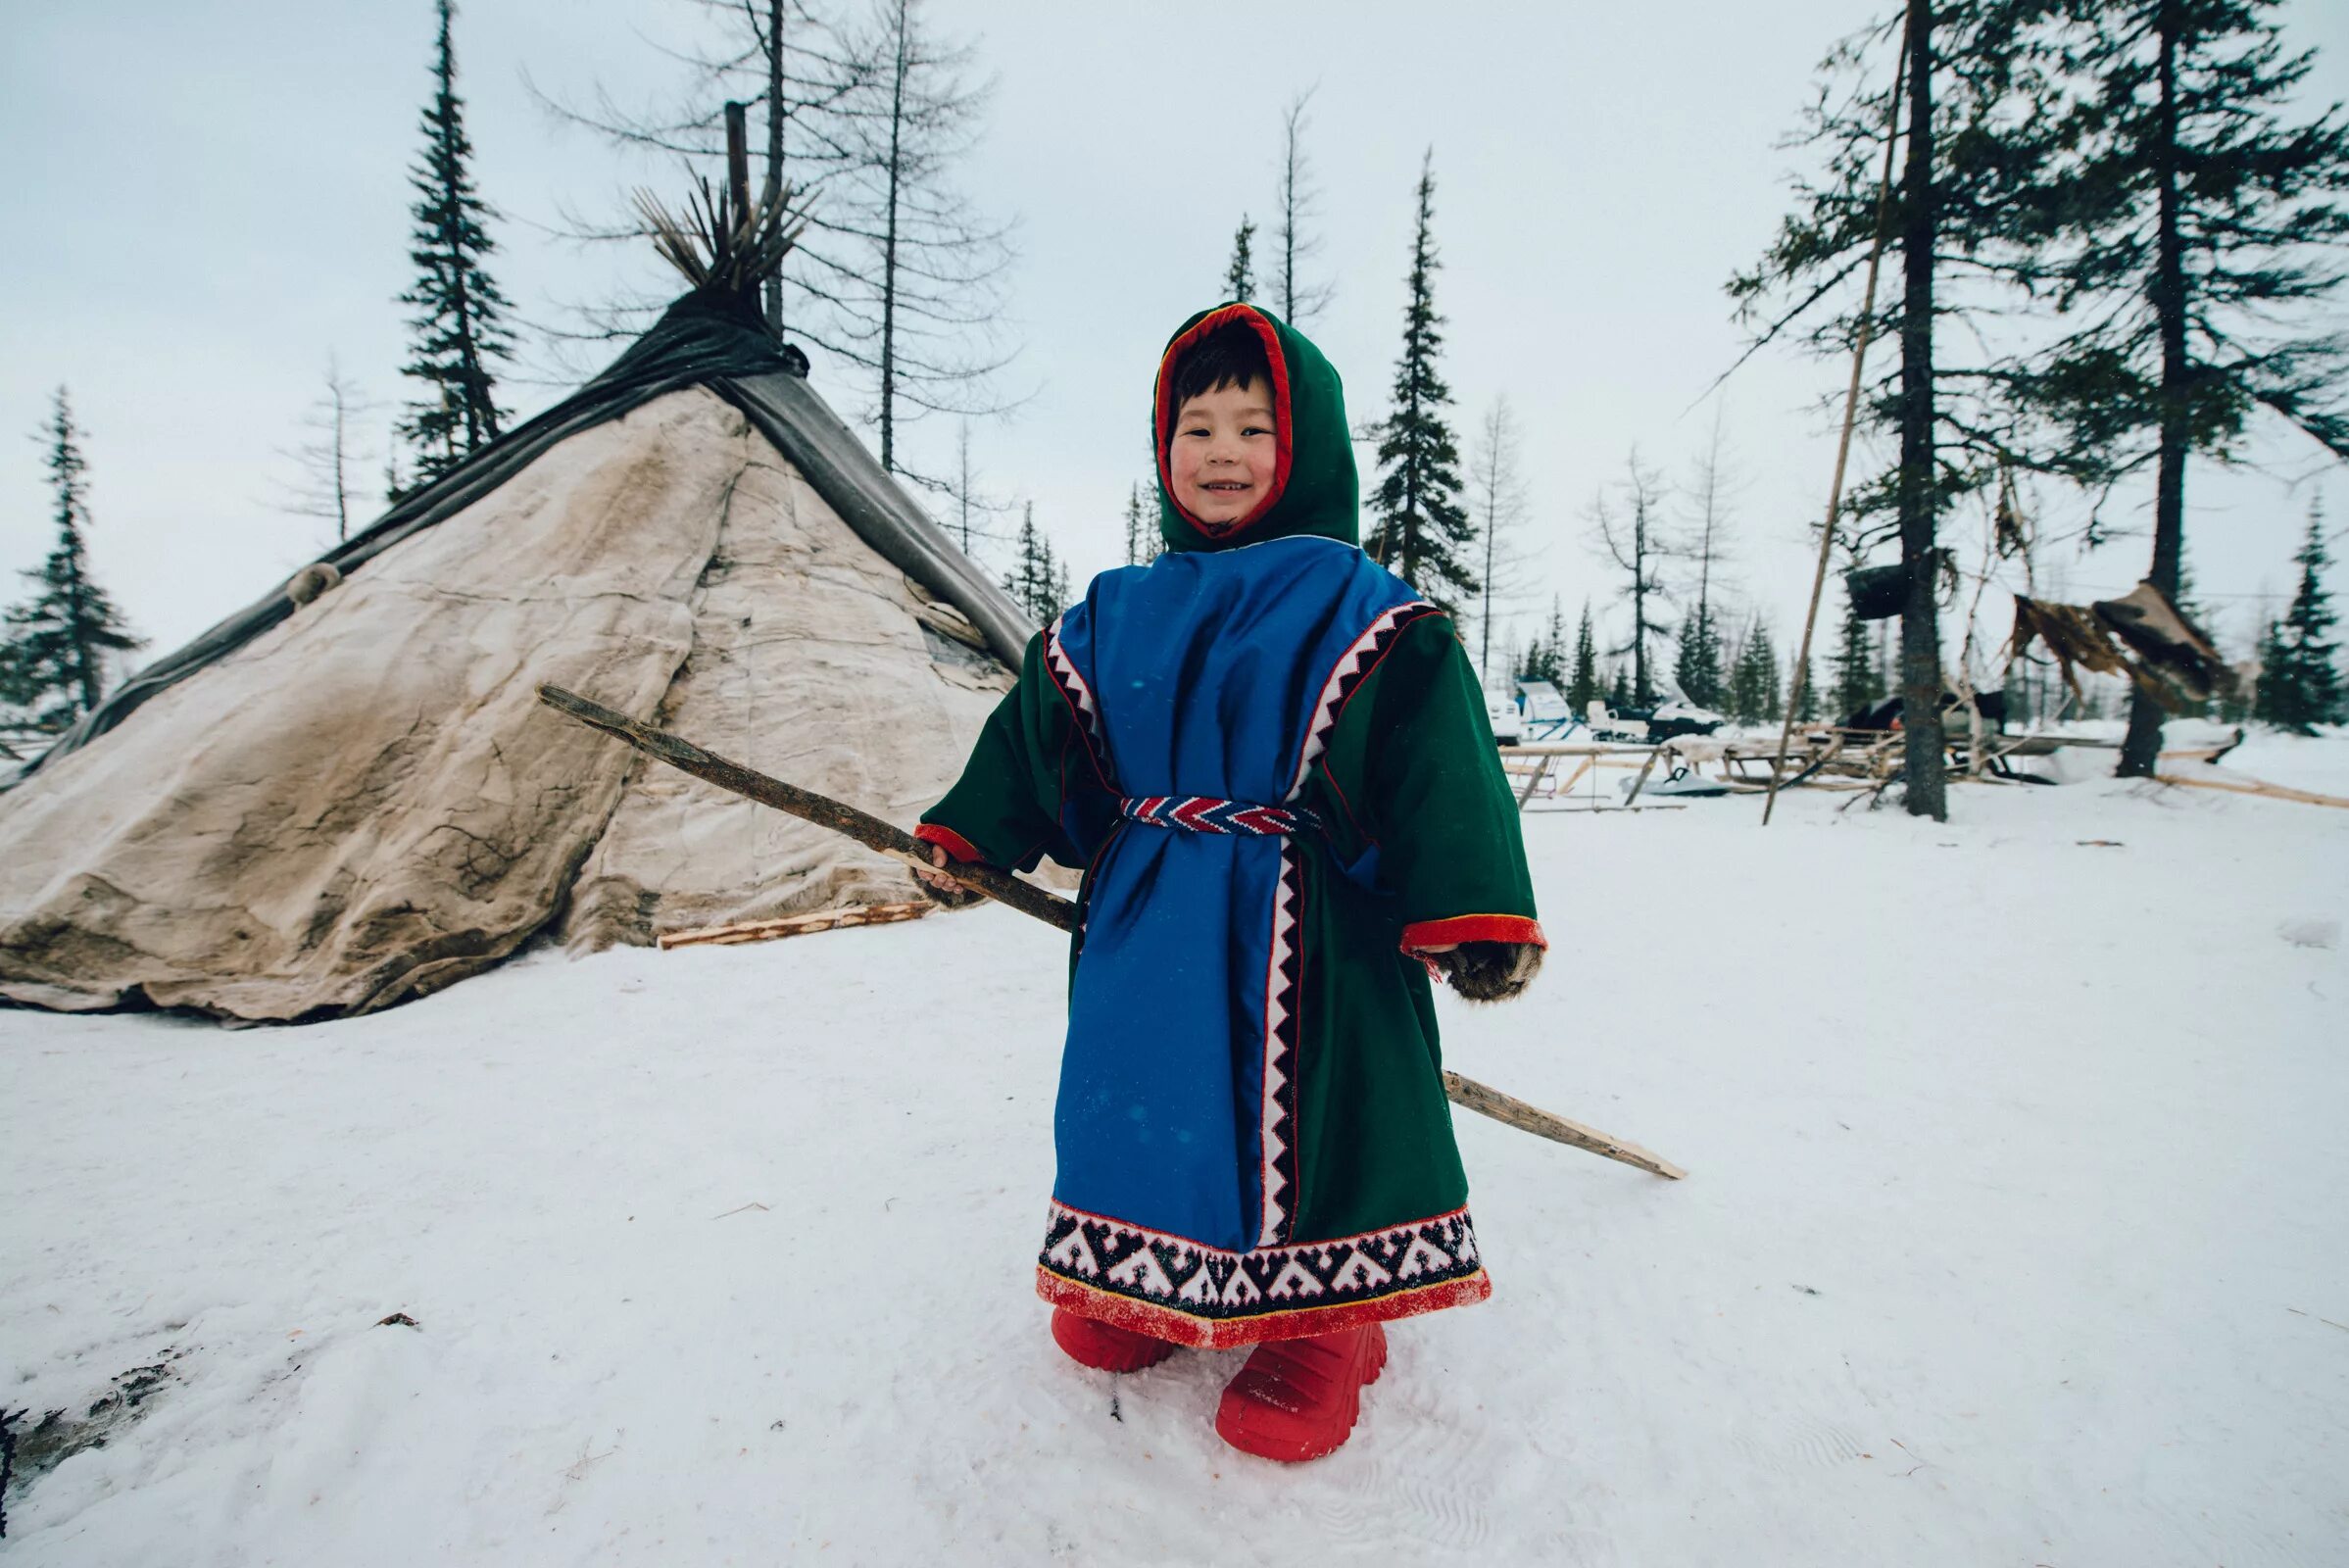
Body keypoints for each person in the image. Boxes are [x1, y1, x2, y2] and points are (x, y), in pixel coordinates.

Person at [912, 303, 1544, 1463]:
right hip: (1147, 915)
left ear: (1307, 447)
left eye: (1253, 427)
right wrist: (974, 829)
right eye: (1195, 425)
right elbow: (1043, 730)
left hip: (1313, 923)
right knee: (1136, 1089)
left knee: (1314, 1115)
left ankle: (1330, 1323)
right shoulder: (1115, 608)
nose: (1219, 451)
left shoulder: (1367, 607)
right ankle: (1143, 1266)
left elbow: (1435, 756)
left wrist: (1475, 907)